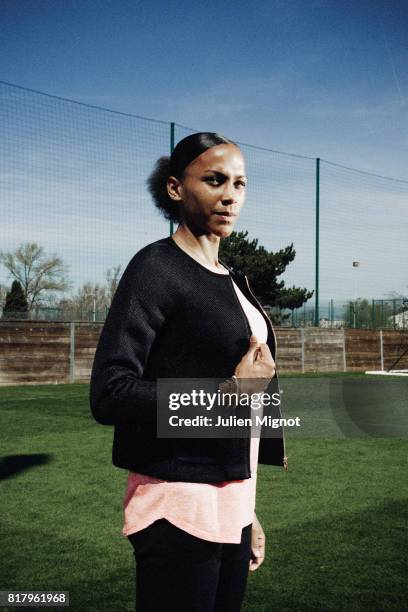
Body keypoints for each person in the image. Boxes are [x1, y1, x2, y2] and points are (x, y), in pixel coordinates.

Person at [90, 132, 287, 612]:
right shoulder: (156, 267)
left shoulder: (232, 278)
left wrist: (247, 510)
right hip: (178, 506)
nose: (230, 195)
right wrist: (228, 392)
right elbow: (111, 393)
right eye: (215, 180)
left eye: (240, 184)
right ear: (176, 189)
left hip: (231, 505)